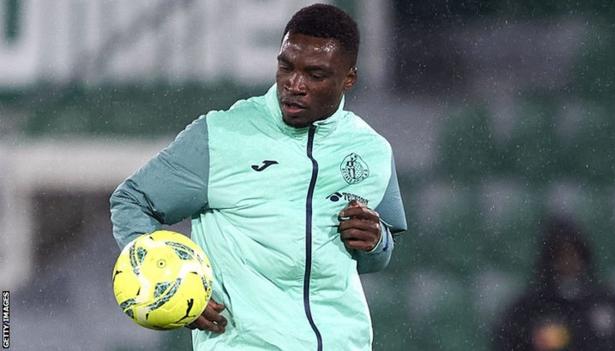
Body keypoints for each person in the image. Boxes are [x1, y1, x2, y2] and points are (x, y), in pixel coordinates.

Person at [110, 4, 407, 350]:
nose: (294, 84)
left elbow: (379, 253)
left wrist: (376, 241)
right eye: (286, 66)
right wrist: (172, 286)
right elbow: (132, 200)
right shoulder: (222, 135)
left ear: (349, 78)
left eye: (315, 74)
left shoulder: (371, 150)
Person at [491, 216, 615, 351]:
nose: (568, 262)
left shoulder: (607, 302)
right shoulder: (529, 309)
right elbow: (506, 342)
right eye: (561, 255)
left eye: (573, 254)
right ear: (548, 260)